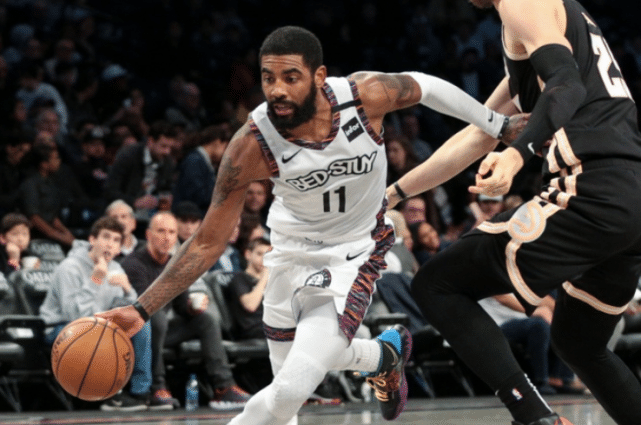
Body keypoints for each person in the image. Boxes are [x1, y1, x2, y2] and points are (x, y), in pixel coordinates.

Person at [96, 25, 526, 424]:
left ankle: (378, 357)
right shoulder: (251, 144)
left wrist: (497, 124)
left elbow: (426, 86)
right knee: (290, 396)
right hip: (287, 256)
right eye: (268, 78)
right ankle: (381, 357)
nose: (277, 90)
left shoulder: (363, 97)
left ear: (319, 76)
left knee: (288, 392)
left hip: (352, 254)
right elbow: (207, 241)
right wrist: (140, 309)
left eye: (291, 77)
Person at [385, 0, 641, 424]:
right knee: (578, 343)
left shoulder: (523, 2)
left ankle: (535, 417)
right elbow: (476, 136)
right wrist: (392, 194)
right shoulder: (544, 29)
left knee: (437, 283)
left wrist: (517, 155)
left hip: (592, 189)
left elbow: (566, 83)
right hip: (629, 199)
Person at [120, 212, 251, 410]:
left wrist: (192, 307)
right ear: (148, 235)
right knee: (155, 317)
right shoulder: (134, 264)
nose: (167, 237)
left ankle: (223, 386)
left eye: (172, 232)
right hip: (137, 333)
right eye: (161, 231)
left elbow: (181, 306)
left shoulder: (176, 264)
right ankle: (157, 387)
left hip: (163, 330)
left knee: (206, 320)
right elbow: (142, 308)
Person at [38, 216, 157, 411]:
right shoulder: (69, 268)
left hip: (99, 326)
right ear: (92, 240)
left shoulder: (116, 268)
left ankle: (140, 393)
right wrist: (96, 279)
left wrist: (128, 290)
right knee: (101, 335)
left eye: (116, 240)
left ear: (119, 249)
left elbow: (128, 311)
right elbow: (75, 316)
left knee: (141, 322)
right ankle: (111, 395)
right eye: (106, 237)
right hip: (61, 328)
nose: (110, 244)